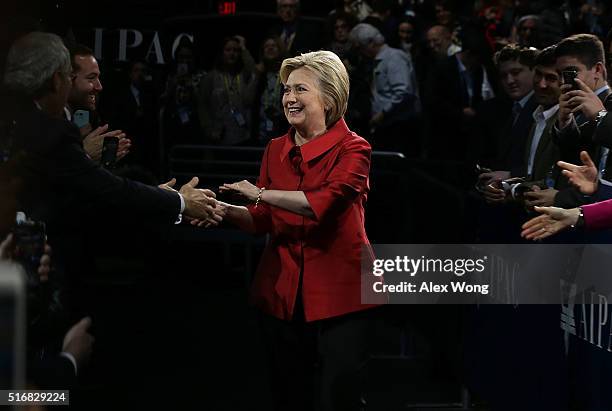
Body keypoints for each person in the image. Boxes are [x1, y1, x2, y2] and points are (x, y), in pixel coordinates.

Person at [197, 50, 381, 410]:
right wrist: (224, 210)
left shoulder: (355, 148)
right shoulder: (275, 148)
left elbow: (322, 206)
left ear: (329, 98)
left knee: (338, 398)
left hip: (342, 295)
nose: (289, 99)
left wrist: (260, 193)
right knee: (288, 395)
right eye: (286, 90)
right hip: (281, 293)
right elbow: (261, 219)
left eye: (300, 89)